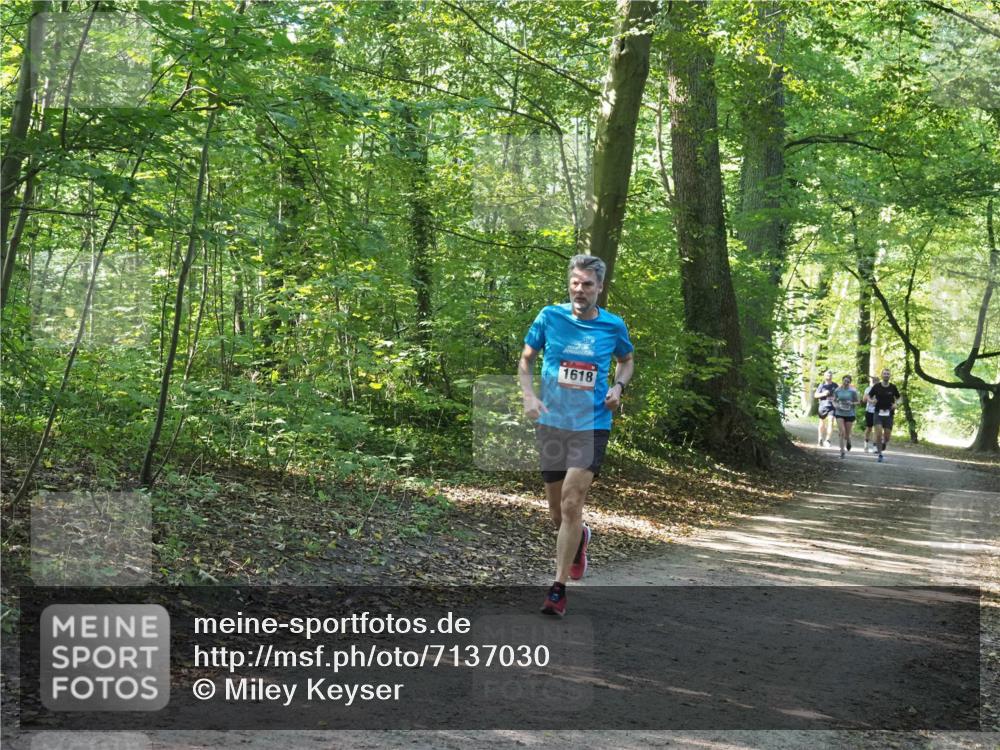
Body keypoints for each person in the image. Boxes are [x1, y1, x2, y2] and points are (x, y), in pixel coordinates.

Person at [519, 255, 634, 618]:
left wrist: (618, 387)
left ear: (600, 287)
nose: (580, 289)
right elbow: (526, 360)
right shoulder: (549, 316)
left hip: (593, 423)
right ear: (569, 283)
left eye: (587, 284)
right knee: (557, 512)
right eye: (575, 282)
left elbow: (627, 361)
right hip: (553, 422)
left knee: (571, 502)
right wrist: (528, 395)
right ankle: (580, 537)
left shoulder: (613, 326)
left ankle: (557, 589)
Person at [867, 368, 901, 463]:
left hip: (889, 414)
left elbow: (899, 398)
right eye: (884, 373)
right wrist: (871, 401)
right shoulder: (877, 386)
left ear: (890, 376)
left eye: (888, 374)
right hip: (878, 413)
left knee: (887, 436)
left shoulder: (893, 387)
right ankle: (880, 454)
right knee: (878, 434)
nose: (886, 375)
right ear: (882, 375)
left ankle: (884, 443)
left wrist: (896, 404)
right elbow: (868, 396)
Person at [832, 375, 860, 458]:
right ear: (842, 381)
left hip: (849, 413)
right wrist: (835, 405)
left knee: (847, 434)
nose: (846, 383)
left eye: (848, 381)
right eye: (845, 381)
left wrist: (852, 403)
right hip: (839, 413)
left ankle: (848, 440)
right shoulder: (837, 390)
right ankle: (842, 451)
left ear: (850, 382)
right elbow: (834, 400)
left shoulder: (853, 391)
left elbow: (858, 402)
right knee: (842, 432)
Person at [814, 370, 838, 447]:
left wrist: (835, 399)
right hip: (823, 406)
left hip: (832, 406)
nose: (829, 376)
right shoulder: (822, 385)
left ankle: (828, 440)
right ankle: (820, 438)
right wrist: (823, 394)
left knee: (831, 421)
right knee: (822, 423)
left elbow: (839, 395)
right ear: (825, 376)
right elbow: (816, 395)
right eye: (827, 375)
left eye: (830, 375)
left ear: (832, 376)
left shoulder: (835, 385)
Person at [862, 375, 878, 453]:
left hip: (878, 411)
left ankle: (875, 446)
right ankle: (866, 444)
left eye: (876, 380)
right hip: (869, 411)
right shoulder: (868, 389)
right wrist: (871, 400)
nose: (875, 381)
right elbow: (864, 400)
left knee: (877, 428)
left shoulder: (881, 389)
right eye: (874, 380)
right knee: (869, 428)